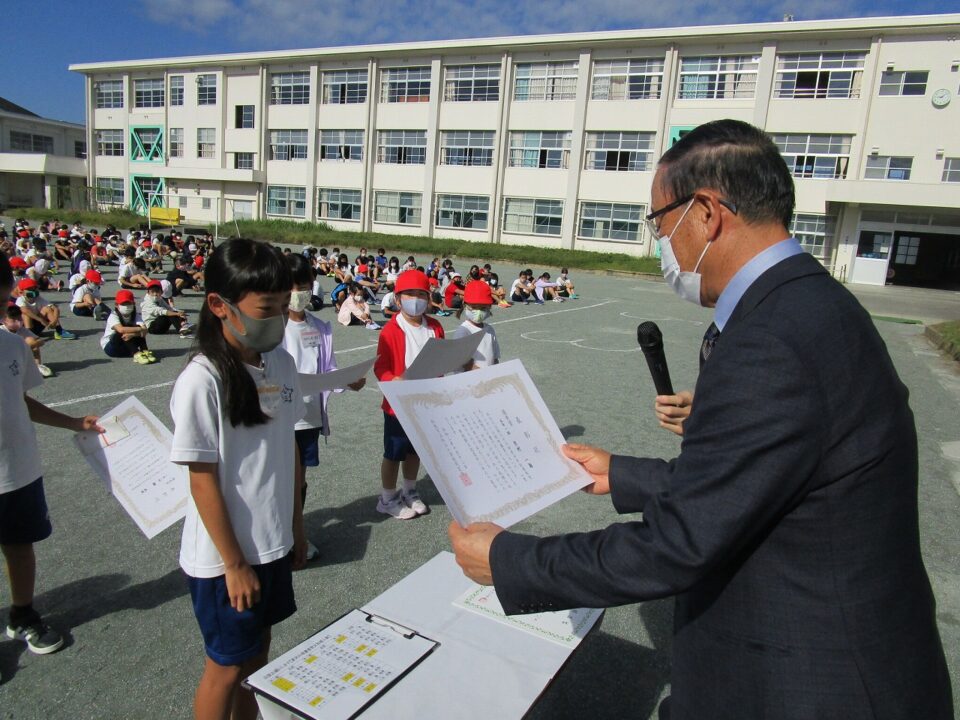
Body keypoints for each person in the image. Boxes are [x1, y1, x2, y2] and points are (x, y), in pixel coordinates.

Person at [448, 119, 953, 720]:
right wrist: (624, 475)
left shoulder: (772, 339)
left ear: (707, 213)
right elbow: (762, 480)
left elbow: (680, 542)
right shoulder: (809, 303)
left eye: (661, 224)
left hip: (806, 683)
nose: (663, 244)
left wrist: (509, 562)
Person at [169, 238, 307, 720]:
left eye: (285, 305)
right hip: (225, 559)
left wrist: (296, 527)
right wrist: (233, 564)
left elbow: (288, 448)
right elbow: (202, 479)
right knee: (225, 669)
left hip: (272, 544)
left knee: (257, 657)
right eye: (267, 308)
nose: (279, 318)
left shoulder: (281, 362)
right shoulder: (203, 379)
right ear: (219, 305)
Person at [1, 251, 103, 655]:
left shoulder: (13, 346)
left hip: (17, 468)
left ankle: (22, 614)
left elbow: (21, 401)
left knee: (20, 544)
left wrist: (74, 423)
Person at [282, 254, 365, 562]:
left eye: (304, 286)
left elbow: (327, 369)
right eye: (293, 286)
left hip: (309, 418)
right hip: (280, 418)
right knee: (280, 481)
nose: (299, 293)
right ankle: (282, 538)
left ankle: (294, 534)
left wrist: (346, 380)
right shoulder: (273, 327)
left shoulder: (318, 327)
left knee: (299, 481)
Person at [374, 270, 444, 520]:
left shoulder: (435, 327)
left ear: (429, 298)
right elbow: (380, 367)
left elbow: (440, 361)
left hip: (425, 402)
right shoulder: (390, 330)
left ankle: (410, 491)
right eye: (409, 294)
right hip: (398, 404)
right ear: (397, 298)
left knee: (416, 451)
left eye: (421, 294)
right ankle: (387, 498)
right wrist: (391, 380)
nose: (415, 299)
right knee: (394, 453)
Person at [452, 281, 500, 370]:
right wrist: (483, 374)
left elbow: (495, 357)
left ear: (489, 307)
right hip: (472, 377)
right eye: (474, 307)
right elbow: (461, 361)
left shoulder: (489, 330)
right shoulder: (463, 331)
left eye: (483, 308)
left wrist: (496, 372)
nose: (478, 312)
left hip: (489, 376)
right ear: (465, 305)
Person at [100, 290, 157, 364]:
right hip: (112, 348)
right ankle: (136, 354)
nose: (126, 306)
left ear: (133, 304)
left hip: (126, 348)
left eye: (129, 303)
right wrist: (139, 329)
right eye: (123, 304)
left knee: (135, 327)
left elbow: (145, 330)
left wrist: (133, 334)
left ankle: (144, 351)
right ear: (117, 305)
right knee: (125, 330)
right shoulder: (113, 316)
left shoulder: (135, 314)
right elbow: (121, 330)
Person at [2, 302, 53, 378]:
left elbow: (40, 341)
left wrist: (32, 344)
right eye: (13, 320)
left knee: (31, 341)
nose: (18, 322)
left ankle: (37, 366)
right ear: (3, 321)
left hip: (17, 356)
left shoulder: (22, 330)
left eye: (19, 318)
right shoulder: (2, 331)